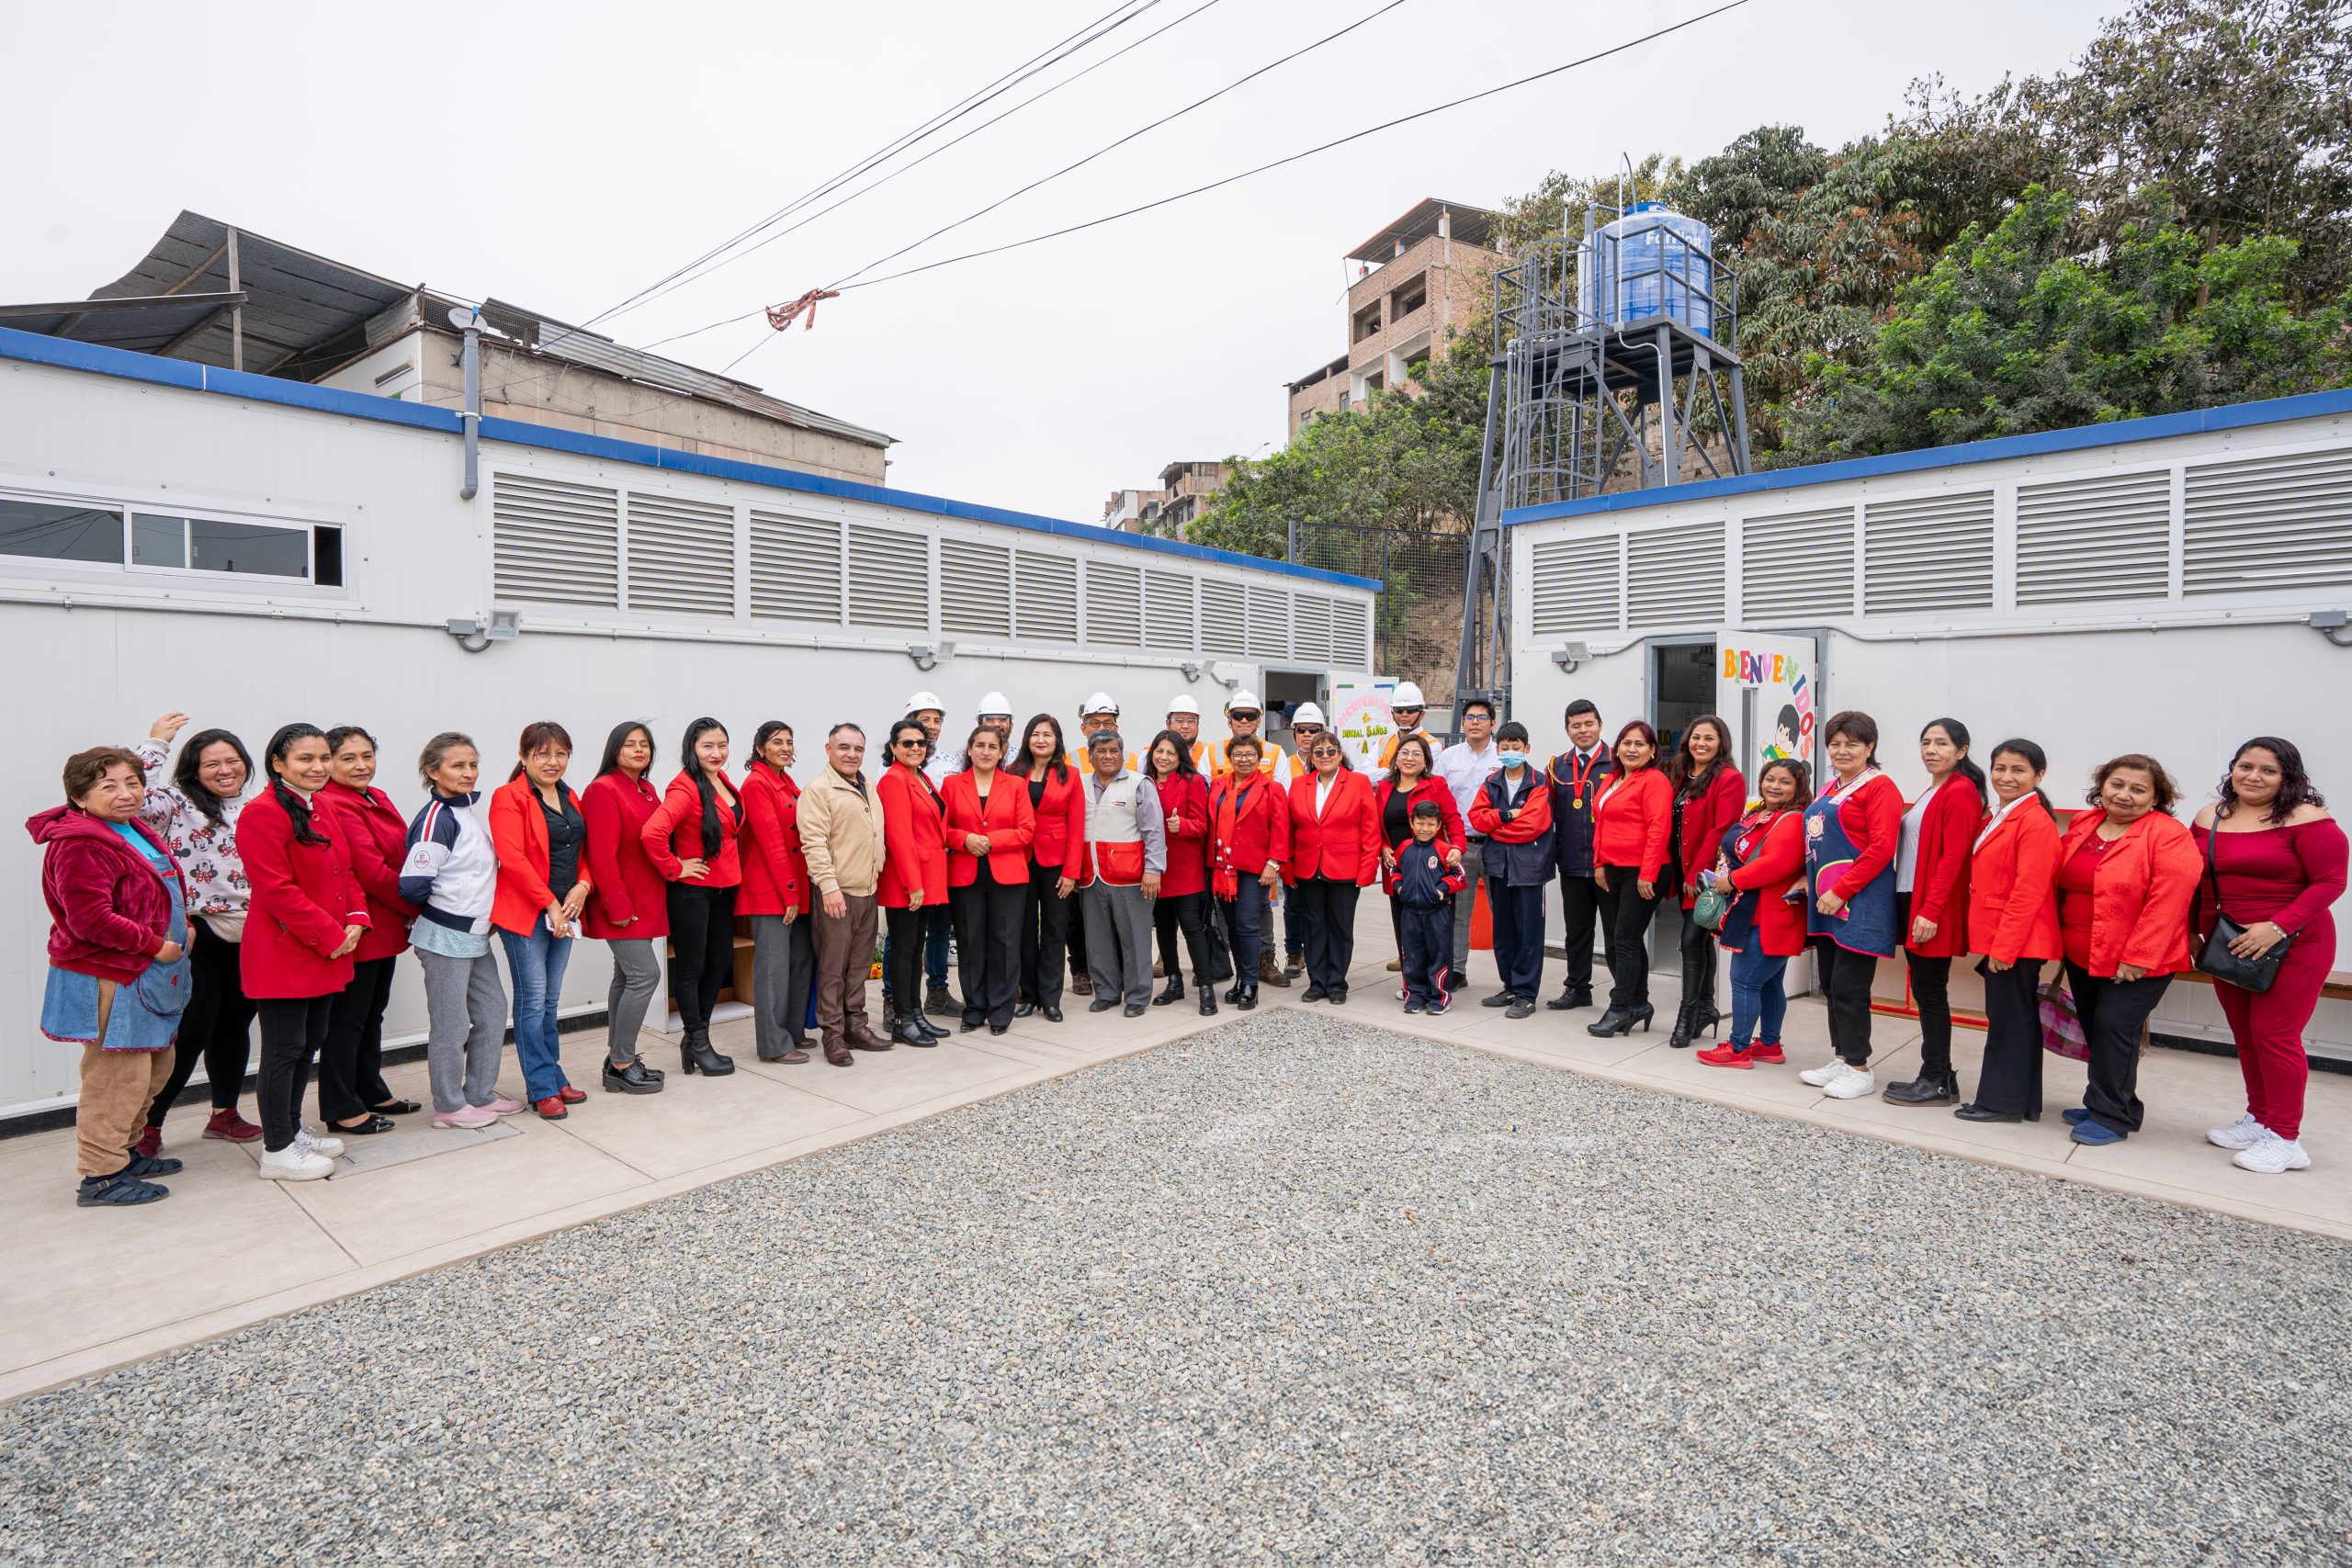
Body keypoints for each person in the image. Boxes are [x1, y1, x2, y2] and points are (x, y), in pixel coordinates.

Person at [34, 747, 191, 1206]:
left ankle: (125, 1151)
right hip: (112, 974)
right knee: (114, 1078)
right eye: (109, 786)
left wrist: (184, 926)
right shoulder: (80, 842)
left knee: (152, 1070)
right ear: (79, 796)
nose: (126, 794)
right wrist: (154, 944)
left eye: (132, 783)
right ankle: (100, 1176)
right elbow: (89, 919)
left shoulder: (130, 828)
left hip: (149, 974)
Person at [2191, 737, 2345, 1174]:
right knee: (2246, 1034)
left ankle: (2285, 1138)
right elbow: (2193, 876)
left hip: (2295, 943)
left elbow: (2330, 882)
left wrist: (2276, 927)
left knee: (2275, 1036)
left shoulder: (2308, 820)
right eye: (2246, 766)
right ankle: (2259, 1118)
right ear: (2232, 769)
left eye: (2268, 770)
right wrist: (2190, 932)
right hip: (2228, 943)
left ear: (2288, 778)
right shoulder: (2211, 816)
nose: (2253, 776)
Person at [239, 723, 368, 1182]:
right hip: (284, 951)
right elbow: (275, 889)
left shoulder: (323, 805)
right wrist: (331, 935)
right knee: (284, 1048)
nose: (317, 768)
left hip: (325, 947)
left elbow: (346, 871)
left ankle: (291, 1129)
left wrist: (355, 919)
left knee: (311, 1041)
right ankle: (276, 1149)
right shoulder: (261, 813)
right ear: (278, 764)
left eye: (322, 759)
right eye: (305, 760)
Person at [2053, 754, 2200, 1147]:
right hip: (2082, 952)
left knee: (2116, 1028)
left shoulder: (2168, 834)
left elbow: (2169, 900)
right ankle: (2107, 1101)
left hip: (2136, 960)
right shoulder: (2086, 823)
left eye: (2138, 790)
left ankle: (2113, 1117)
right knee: (2096, 1028)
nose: (2124, 795)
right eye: (2116, 784)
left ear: (2155, 798)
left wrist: (2138, 956)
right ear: (2102, 786)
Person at [131, 715, 259, 1153]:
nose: (226, 770)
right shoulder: (174, 801)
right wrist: (157, 744)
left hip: (251, 932)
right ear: (193, 770)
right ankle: (149, 1125)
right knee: (191, 1032)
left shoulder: (253, 806)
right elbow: (134, 797)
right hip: (199, 931)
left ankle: (225, 1114)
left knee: (234, 1027)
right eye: (212, 764)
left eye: (233, 760)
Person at [401, 734, 519, 1128]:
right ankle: (449, 1108)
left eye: (472, 764)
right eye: (457, 766)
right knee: (450, 1026)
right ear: (433, 772)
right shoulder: (437, 818)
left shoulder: (464, 813)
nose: (468, 773)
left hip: (475, 938)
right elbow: (413, 884)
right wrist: (448, 916)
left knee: (493, 1011)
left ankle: (479, 1096)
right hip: (445, 938)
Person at [1796, 711, 1905, 1100]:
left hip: (1860, 901)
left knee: (1849, 986)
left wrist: (1841, 890)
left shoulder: (1880, 788)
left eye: (1852, 744)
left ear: (1870, 747)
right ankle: (1842, 1057)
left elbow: (1880, 849)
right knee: (1830, 983)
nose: (1842, 751)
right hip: (1826, 899)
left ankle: (1860, 1067)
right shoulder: (1831, 787)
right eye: (1836, 744)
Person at [316, 726, 418, 1136]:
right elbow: (370, 871)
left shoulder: (376, 796)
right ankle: (342, 1107)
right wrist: (417, 905)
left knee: (371, 1015)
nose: (361, 765)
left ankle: (370, 1089)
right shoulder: (331, 802)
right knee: (347, 1020)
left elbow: (404, 853)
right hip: (361, 926)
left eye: (366, 756)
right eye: (348, 758)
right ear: (329, 763)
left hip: (389, 921)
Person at [1954, 739, 2063, 1123]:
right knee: (2015, 1019)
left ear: (2039, 775)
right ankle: (2021, 1101)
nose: (2006, 777)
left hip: (2017, 941)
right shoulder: (2000, 815)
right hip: (2004, 937)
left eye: (2018, 770)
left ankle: (2000, 1103)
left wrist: (2005, 948)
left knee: (2009, 1022)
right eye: (2000, 769)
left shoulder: (2034, 821)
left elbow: (2028, 893)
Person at [1882, 718, 1988, 1106]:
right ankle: (1940, 1076)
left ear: (1962, 750)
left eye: (1941, 743)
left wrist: (1931, 910)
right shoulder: (1935, 789)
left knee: (1930, 993)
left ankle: (1936, 1078)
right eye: (1925, 742)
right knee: (1928, 990)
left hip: (1930, 905)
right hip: (1914, 899)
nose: (1931, 750)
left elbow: (1953, 858)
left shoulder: (1960, 791)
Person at [490, 722, 591, 1120]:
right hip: (528, 913)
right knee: (532, 1002)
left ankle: (553, 1073)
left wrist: (584, 884)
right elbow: (512, 858)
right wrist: (549, 904)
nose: (553, 762)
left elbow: (584, 848)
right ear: (523, 757)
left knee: (550, 1000)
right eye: (543, 754)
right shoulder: (508, 797)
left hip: (565, 911)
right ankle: (542, 1087)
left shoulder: (571, 796)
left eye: (561, 754)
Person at [642, 717, 743, 1077]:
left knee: (720, 961)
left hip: (722, 887)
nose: (716, 753)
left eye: (722, 745)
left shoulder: (722, 780)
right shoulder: (684, 788)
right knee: (691, 967)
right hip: (692, 892)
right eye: (707, 746)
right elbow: (652, 833)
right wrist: (676, 868)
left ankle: (696, 1038)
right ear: (692, 749)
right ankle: (698, 1042)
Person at [1695, 759, 1810, 1070]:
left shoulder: (1792, 819)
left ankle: (1738, 1048)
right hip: (1757, 911)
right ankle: (1769, 1045)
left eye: (1785, 781)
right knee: (1770, 983)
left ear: (1799, 787)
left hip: (1770, 915)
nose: (1775, 786)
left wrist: (1731, 880)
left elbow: (1775, 865)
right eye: (1769, 779)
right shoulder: (1760, 813)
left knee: (1744, 981)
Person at [581, 722, 668, 1093]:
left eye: (644, 744)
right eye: (630, 744)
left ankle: (616, 1057)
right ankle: (622, 1060)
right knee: (645, 975)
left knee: (626, 976)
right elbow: (600, 854)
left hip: (647, 899)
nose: (638, 750)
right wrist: (615, 904)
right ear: (614, 749)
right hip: (622, 901)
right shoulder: (602, 789)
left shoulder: (647, 789)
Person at [797, 723, 890, 1066]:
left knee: (859, 966)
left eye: (858, 749)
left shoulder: (868, 785)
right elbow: (814, 842)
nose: (852, 755)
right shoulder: (819, 789)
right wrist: (829, 887)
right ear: (828, 749)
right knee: (833, 969)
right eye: (844, 747)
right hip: (837, 893)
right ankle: (833, 1035)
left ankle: (856, 1026)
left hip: (867, 890)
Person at [943, 725, 1035, 1033]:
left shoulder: (1016, 785)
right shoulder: (952, 784)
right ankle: (974, 1009)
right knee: (970, 943)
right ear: (969, 750)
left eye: (992, 746)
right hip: (966, 874)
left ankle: (1000, 1010)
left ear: (1001, 752)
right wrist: (965, 838)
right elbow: (942, 829)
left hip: (1007, 875)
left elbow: (1026, 830)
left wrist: (990, 839)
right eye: (979, 745)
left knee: (1005, 943)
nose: (985, 751)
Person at [1588, 720, 1671, 1036]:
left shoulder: (1655, 781)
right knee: (1619, 940)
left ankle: (1620, 1007)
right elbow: (1600, 823)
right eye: (1626, 743)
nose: (1631, 749)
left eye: (1639, 744)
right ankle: (1639, 1002)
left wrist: (1647, 873)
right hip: (1612, 869)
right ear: (1617, 748)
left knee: (1624, 940)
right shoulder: (1612, 779)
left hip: (1643, 872)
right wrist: (1599, 863)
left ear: (1652, 751)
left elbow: (1658, 828)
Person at [1284, 728, 1380, 1003]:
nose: (1325, 756)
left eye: (1330, 751)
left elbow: (1370, 830)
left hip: (1345, 869)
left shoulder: (1358, 782)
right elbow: (1290, 830)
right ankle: (1317, 982)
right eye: (1318, 752)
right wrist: (1288, 869)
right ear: (1311, 758)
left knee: (1339, 926)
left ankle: (1337, 982)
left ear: (1341, 755)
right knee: (1313, 926)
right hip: (1307, 868)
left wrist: (1366, 871)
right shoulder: (1300, 784)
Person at [1469, 722, 1557, 1018]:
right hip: (1498, 866)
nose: (1510, 752)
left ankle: (1526, 993)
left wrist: (1497, 827)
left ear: (1527, 749)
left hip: (1531, 867)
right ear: (1498, 749)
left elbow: (1532, 826)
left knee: (1529, 931)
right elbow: (1477, 819)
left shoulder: (1539, 783)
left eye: (1515, 747)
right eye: (1504, 747)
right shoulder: (1492, 782)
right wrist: (1506, 816)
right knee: (1503, 930)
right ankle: (1509, 984)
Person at [1668, 715, 1747, 1047]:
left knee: (1690, 941)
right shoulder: (1683, 775)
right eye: (1696, 737)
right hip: (1681, 868)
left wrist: (1695, 873)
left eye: (1709, 738)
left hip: (1705, 875)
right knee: (1700, 939)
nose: (1701, 743)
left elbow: (1721, 829)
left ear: (1721, 744)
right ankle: (1707, 1006)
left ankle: (1686, 1017)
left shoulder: (1729, 778)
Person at [741, 720, 814, 1064]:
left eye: (789, 741)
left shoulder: (785, 780)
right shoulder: (757, 784)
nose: (785, 747)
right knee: (773, 968)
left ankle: (793, 1030)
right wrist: (790, 895)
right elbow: (772, 844)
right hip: (771, 890)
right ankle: (774, 1044)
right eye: (776, 742)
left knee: (800, 960)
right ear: (760, 748)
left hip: (795, 886)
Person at [1080, 728, 1167, 1015]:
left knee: (1135, 938)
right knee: (1097, 938)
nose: (1108, 756)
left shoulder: (1139, 784)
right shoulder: (1079, 784)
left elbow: (1154, 831)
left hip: (1130, 877)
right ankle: (1105, 992)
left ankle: (1137, 996)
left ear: (1122, 754)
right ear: (1090, 756)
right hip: (1091, 875)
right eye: (1101, 751)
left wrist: (1153, 870)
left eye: (1113, 751)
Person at [1007, 715, 1084, 1023]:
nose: (1041, 740)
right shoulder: (1013, 773)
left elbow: (1077, 826)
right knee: (1024, 931)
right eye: (1036, 734)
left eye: (1047, 735)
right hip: (1020, 861)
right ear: (1027, 739)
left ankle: (1051, 999)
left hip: (1057, 865)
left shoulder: (1072, 775)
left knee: (1054, 930)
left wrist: (1071, 871)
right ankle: (1030, 995)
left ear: (1057, 741)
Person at [878, 716, 950, 1048]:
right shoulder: (894, 780)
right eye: (907, 743)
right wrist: (913, 884)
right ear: (893, 748)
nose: (915, 748)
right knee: (904, 950)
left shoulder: (920, 777)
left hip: (927, 877)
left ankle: (916, 1013)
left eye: (920, 743)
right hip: (908, 880)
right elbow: (899, 836)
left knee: (916, 949)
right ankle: (900, 1020)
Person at [1544, 699, 1617, 1011]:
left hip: (1612, 865)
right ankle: (1577, 988)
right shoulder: (1557, 766)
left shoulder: (1619, 762)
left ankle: (1626, 993)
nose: (1583, 730)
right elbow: (1548, 815)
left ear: (1600, 724)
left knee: (1618, 934)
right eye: (1576, 725)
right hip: (1573, 863)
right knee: (1577, 932)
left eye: (1589, 723)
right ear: (1567, 730)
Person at [1208, 735, 1288, 1011]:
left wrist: (1273, 863)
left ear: (1259, 758)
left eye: (1250, 754)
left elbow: (1280, 828)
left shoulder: (1271, 788)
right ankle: (1240, 978)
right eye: (1238, 754)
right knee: (1230, 926)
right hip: (1223, 867)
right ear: (1230, 758)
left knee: (1247, 923)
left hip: (1255, 868)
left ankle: (1251, 984)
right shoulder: (1218, 785)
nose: (1244, 759)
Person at [1375, 736, 1464, 976]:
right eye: (1404, 753)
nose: (1409, 758)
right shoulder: (1384, 788)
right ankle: (1411, 984)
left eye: (1416, 754)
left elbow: (1453, 819)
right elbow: (1377, 826)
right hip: (1399, 870)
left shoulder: (1436, 785)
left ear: (1426, 761)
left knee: (1436, 930)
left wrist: (1457, 847)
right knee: (1404, 928)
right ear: (1395, 759)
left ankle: (1437, 983)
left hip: (1433, 869)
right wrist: (1383, 848)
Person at [1143, 729, 1217, 1014]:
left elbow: (1202, 826)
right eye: (1159, 752)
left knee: (1192, 927)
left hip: (1185, 867)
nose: (1163, 757)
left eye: (1170, 753)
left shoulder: (1193, 781)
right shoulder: (1145, 782)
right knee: (1163, 927)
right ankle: (1174, 981)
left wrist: (1182, 826)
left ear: (1180, 757)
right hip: (1156, 867)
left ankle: (1206, 986)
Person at [1437, 698, 1503, 990]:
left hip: (1496, 845)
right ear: (1462, 722)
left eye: (1481, 717)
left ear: (1493, 722)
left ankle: (1511, 975)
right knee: (1458, 913)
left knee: (1501, 912)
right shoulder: (1448, 757)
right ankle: (1457, 970)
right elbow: (1435, 800)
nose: (1475, 722)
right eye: (1469, 717)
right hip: (1459, 846)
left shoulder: (1504, 756)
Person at [899, 690, 956, 1017]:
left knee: (938, 929)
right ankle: (897, 1001)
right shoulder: (893, 767)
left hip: (942, 862)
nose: (932, 727)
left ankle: (937, 992)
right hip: (912, 866)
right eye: (925, 720)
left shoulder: (950, 763)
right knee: (905, 935)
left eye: (936, 721)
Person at [1392, 800, 1466, 1014]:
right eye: (1420, 823)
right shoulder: (1404, 848)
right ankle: (1415, 995)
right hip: (1411, 913)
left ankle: (1439, 997)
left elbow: (1459, 875)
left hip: (1437, 913)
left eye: (1431, 824)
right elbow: (1395, 870)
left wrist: (1442, 890)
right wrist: (1399, 888)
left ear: (1439, 825)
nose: (1425, 829)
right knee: (1412, 956)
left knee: (1439, 955)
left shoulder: (1444, 849)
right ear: (1412, 823)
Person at [1374, 681, 1430, 776]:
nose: (1404, 714)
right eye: (1399, 710)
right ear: (1392, 714)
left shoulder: (1432, 744)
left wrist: (1384, 774)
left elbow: (1423, 777)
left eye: (1410, 710)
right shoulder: (1382, 742)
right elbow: (1366, 774)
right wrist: (1397, 773)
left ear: (1422, 714)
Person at [1165, 694, 1208, 772]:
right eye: (1179, 720)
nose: (1185, 726)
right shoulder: (1152, 753)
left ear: (1198, 724)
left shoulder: (1208, 752)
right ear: (1168, 724)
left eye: (1191, 721)